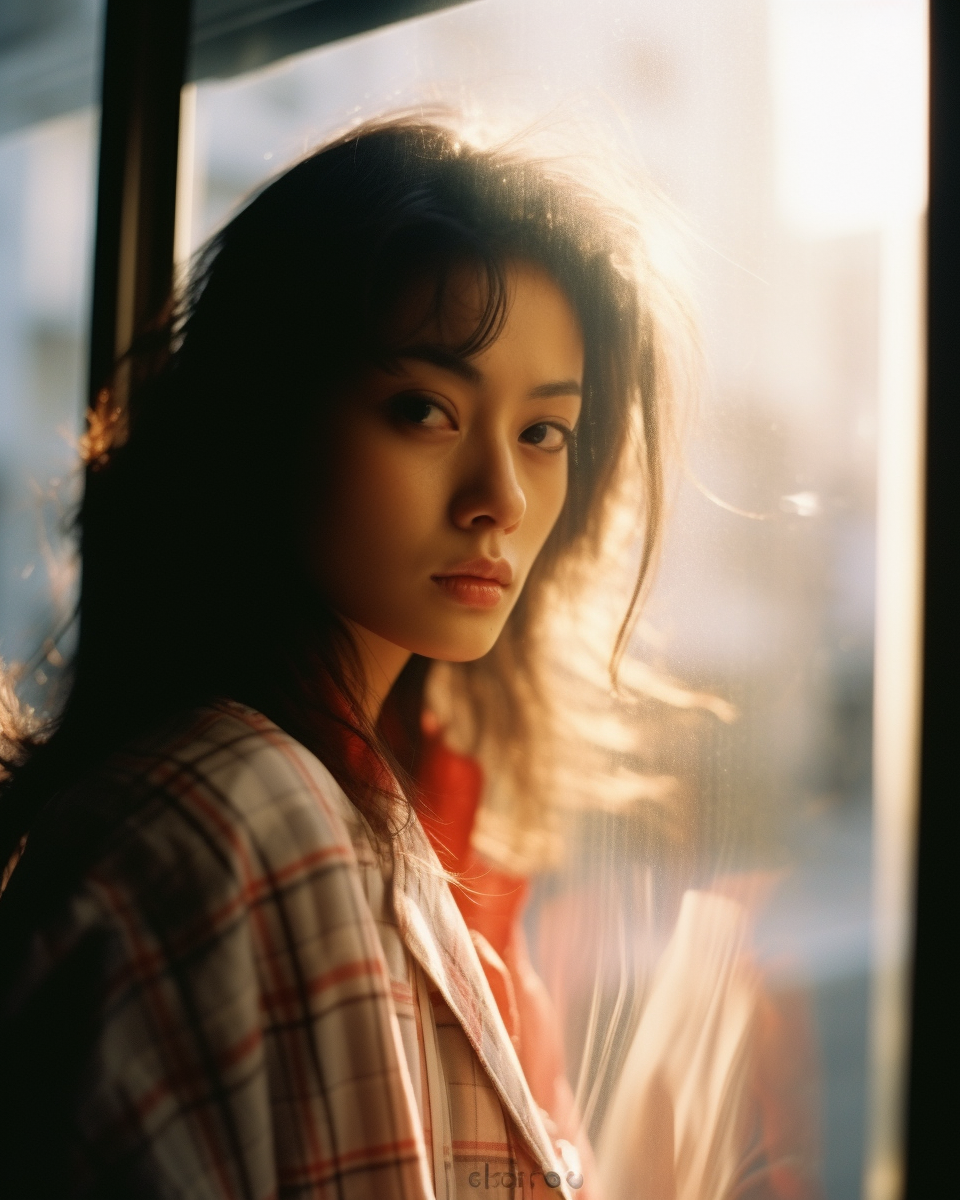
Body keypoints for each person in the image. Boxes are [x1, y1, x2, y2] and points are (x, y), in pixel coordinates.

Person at [0, 118, 678, 1199]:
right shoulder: (229, 816)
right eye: (424, 409)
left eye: (545, 433)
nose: (499, 499)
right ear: (267, 413)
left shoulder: (344, 802)